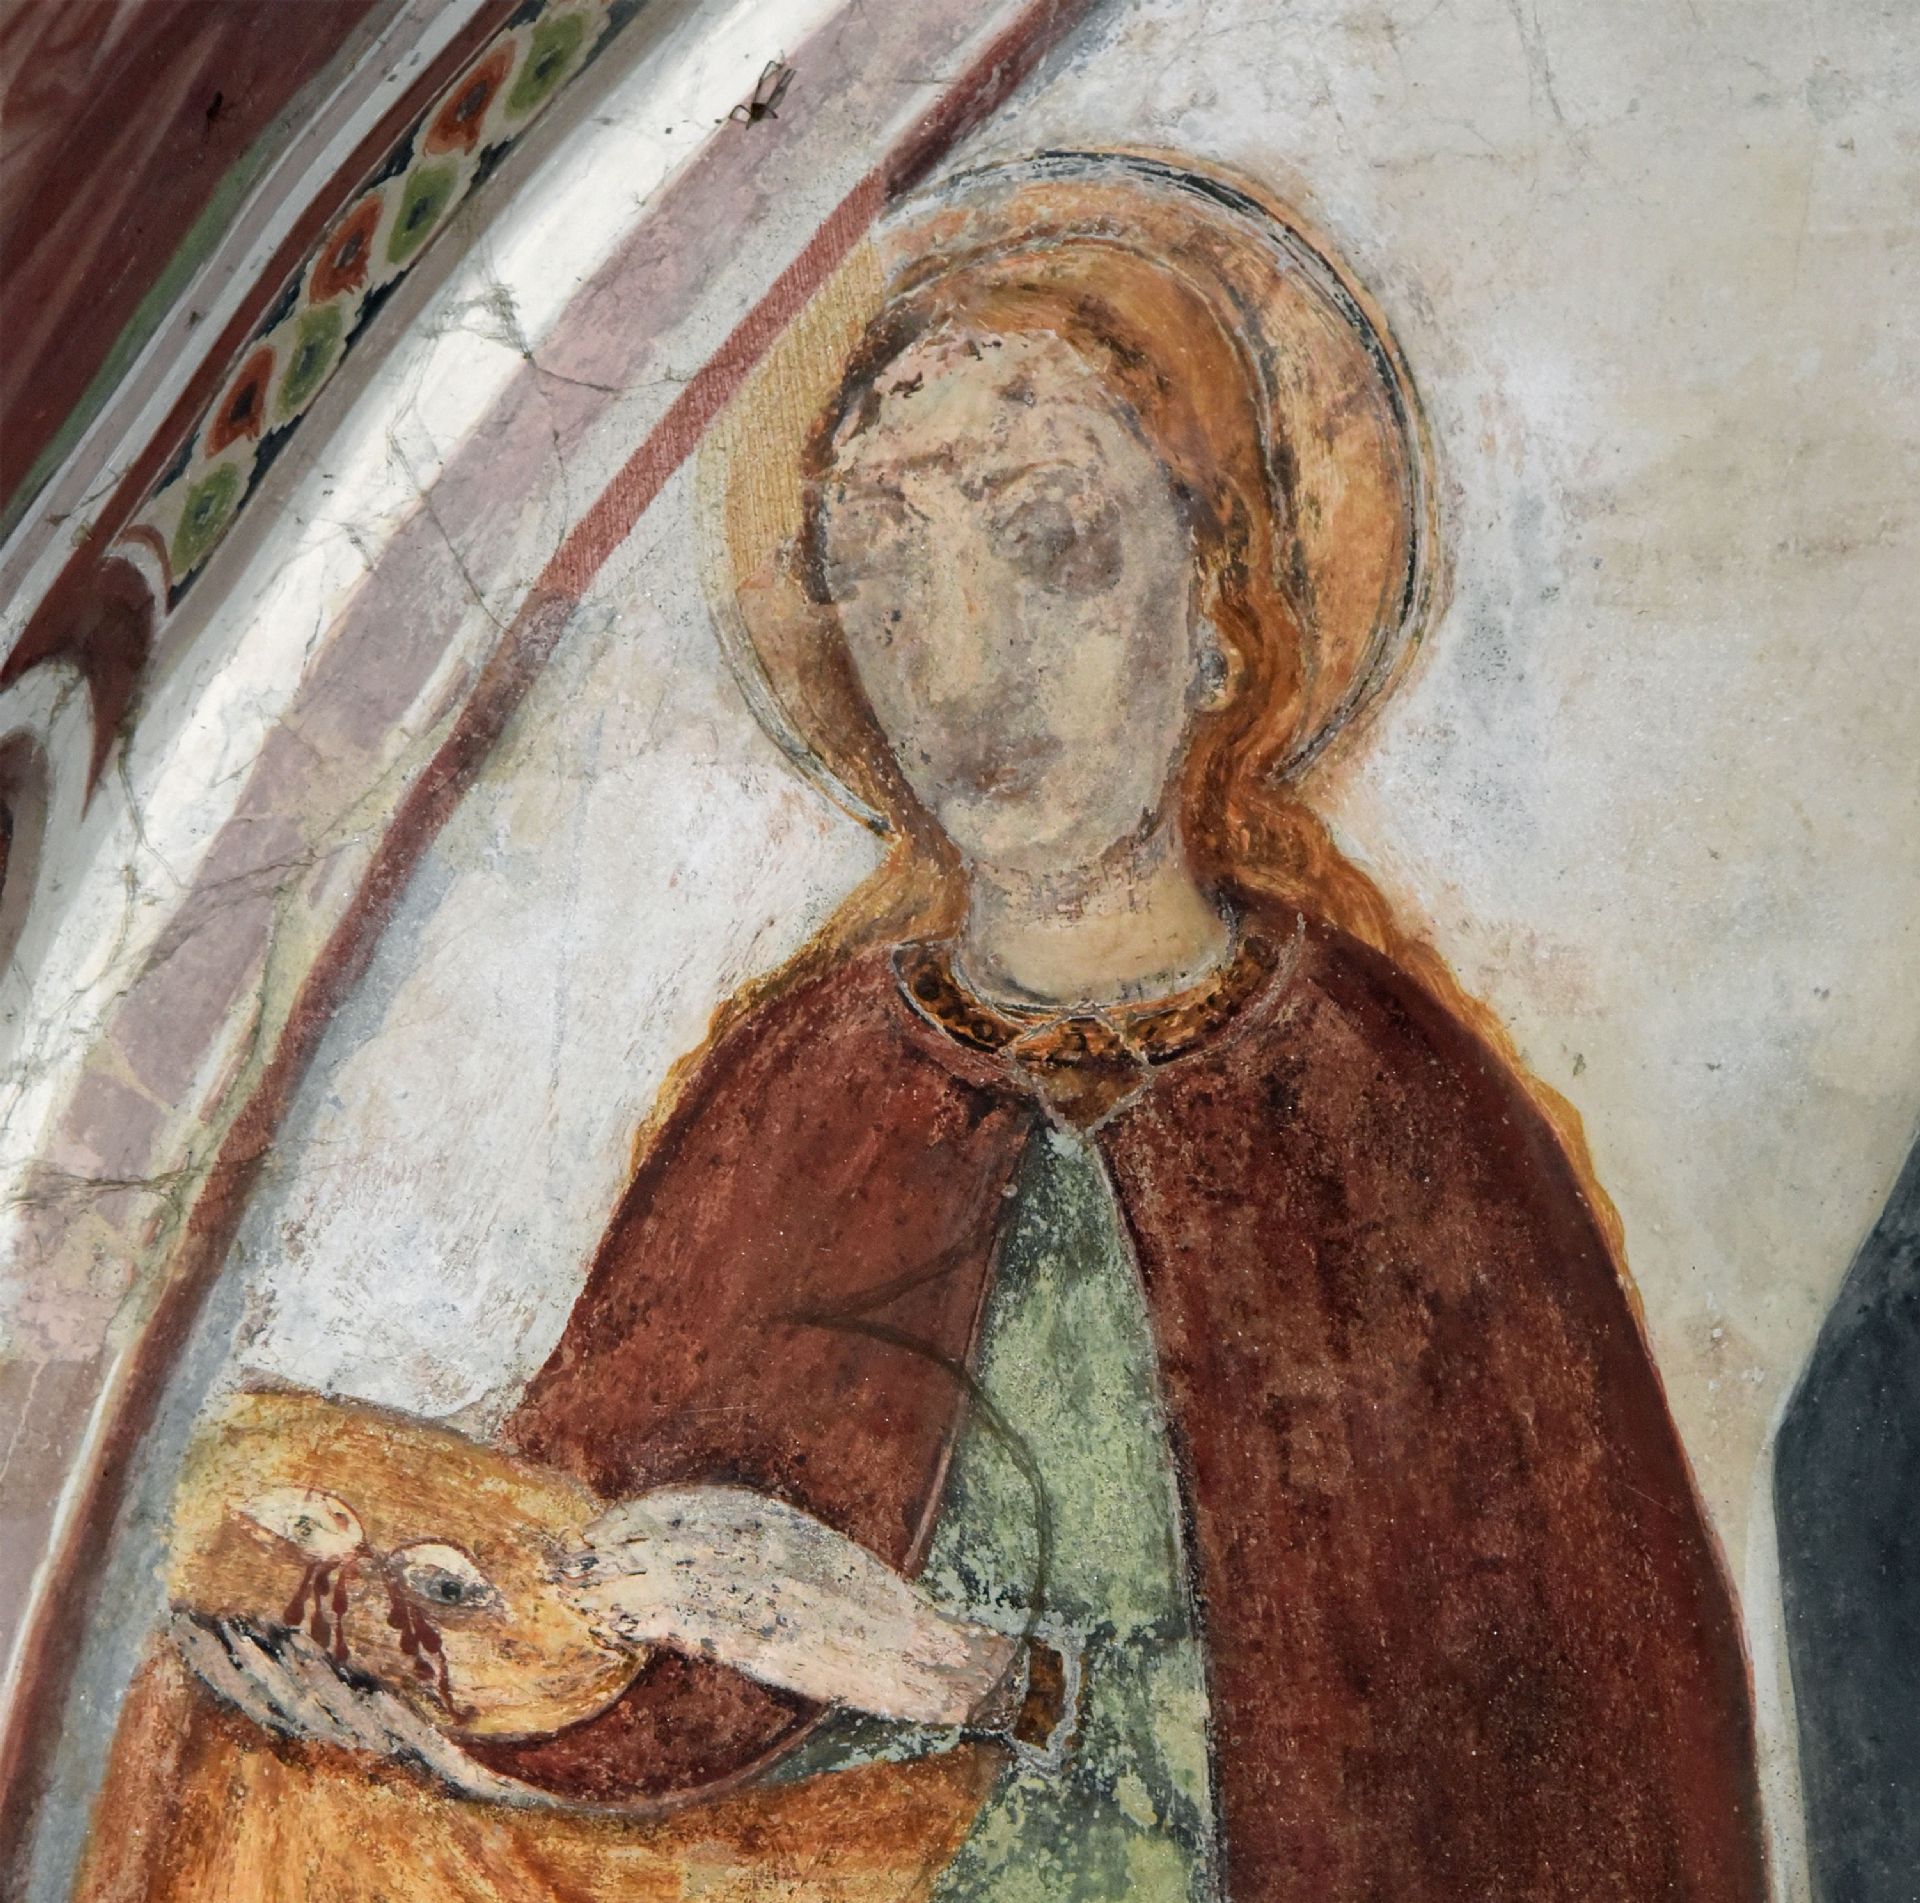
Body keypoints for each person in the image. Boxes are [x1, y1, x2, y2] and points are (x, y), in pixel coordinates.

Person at [82, 153, 1767, 1902]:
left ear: (1221, 608)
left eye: (1049, 542)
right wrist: (416, 1679)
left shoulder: (1392, 1118)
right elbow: (614, 1661)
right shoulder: (803, 1092)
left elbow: (1519, 1777)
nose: (961, 660)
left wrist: (972, 1676)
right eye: (881, 559)